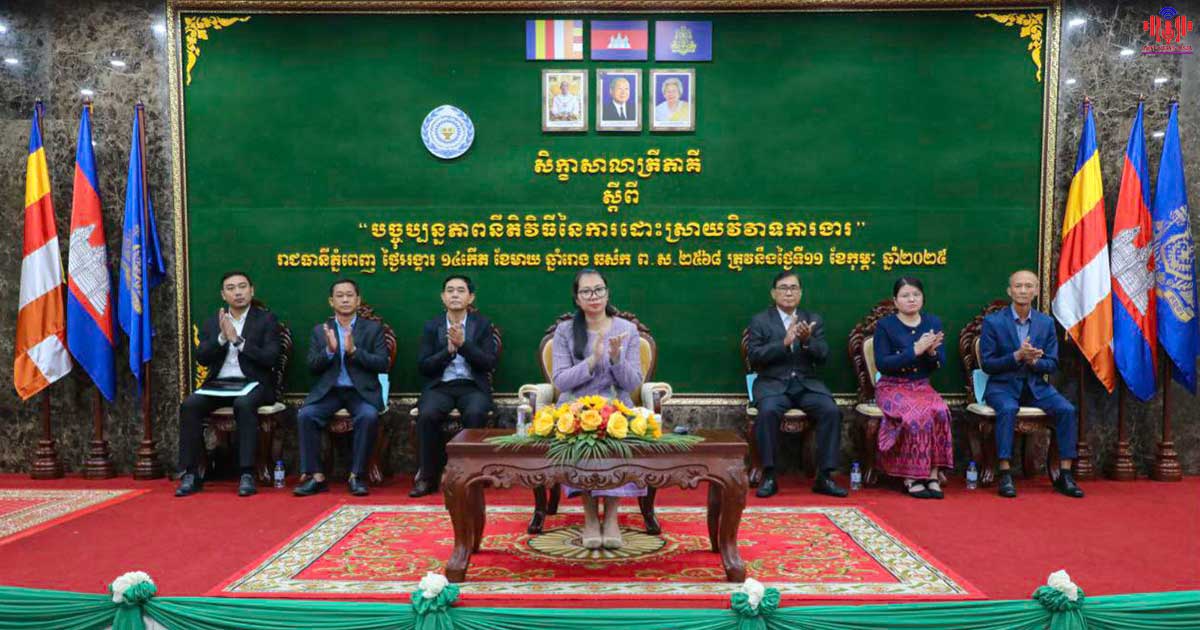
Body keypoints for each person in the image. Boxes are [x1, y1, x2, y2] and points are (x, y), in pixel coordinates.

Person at [551, 268, 644, 550]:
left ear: (607, 292)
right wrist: (592, 360)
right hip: (575, 405)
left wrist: (616, 359)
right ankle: (590, 517)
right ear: (577, 298)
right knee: (582, 435)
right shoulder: (565, 331)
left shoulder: (626, 330)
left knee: (616, 433)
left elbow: (633, 383)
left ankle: (612, 517)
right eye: (586, 291)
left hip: (616, 403)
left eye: (599, 289)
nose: (594, 296)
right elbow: (560, 381)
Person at [980, 270, 1084, 499]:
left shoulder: (1046, 323)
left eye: (1029, 286)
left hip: (1036, 386)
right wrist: (1017, 356)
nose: (1023, 290)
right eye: (1018, 286)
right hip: (1002, 386)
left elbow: (1052, 364)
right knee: (1008, 409)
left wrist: (1035, 361)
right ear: (1009, 291)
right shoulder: (993, 322)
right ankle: (1005, 472)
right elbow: (987, 364)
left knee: (1066, 410)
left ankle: (1065, 474)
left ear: (1036, 291)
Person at [176, 271, 280, 498]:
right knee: (190, 405)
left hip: (254, 383)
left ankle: (246, 473)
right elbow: (202, 358)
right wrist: (222, 338)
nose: (238, 292)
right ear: (223, 295)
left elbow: (270, 358)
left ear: (252, 290)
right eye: (231, 288)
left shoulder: (266, 320)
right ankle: (191, 473)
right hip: (219, 384)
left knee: (244, 404)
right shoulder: (214, 321)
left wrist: (238, 341)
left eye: (242, 287)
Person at [746, 271, 846, 499]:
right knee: (768, 411)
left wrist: (807, 341)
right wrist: (784, 343)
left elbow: (823, 356)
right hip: (773, 384)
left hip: (806, 385)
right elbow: (754, 356)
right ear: (773, 293)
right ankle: (769, 475)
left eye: (793, 288)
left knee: (830, 410)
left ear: (800, 293)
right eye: (783, 288)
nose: (788, 293)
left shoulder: (812, 319)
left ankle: (825, 476)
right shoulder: (760, 321)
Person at [293, 279, 390, 498]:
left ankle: (357, 476)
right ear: (331, 301)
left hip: (361, 392)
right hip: (330, 391)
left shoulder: (373, 329)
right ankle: (316, 476)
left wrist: (355, 351)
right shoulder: (321, 331)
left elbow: (382, 363)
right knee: (306, 415)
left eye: (349, 295)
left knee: (368, 416)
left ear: (358, 300)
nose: (345, 299)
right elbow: (312, 367)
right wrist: (329, 351)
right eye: (340, 295)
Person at [410, 275, 498, 498]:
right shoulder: (432, 326)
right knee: (427, 414)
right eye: (450, 291)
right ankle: (427, 477)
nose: (455, 295)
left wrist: (464, 345)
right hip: (441, 386)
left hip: (472, 386)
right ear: (443, 297)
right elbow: (424, 366)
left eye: (460, 290)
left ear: (471, 297)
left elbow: (489, 363)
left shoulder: (482, 325)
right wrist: (447, 351)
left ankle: (472, 476)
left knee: (476, 413)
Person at [872, 277, 954, 499]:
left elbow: (939, 363)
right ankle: (911, 476)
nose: (911, 299)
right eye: (905, 295)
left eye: (916, 295)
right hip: (891, 386)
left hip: (921, 385)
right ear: (895, 301)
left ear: (923, 298)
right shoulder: (885, 326)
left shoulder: (932, 322)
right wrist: (914, 351)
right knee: (916, 414)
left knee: (940, 410)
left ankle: (933, 474)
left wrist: (931, 353)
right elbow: (883, 364)